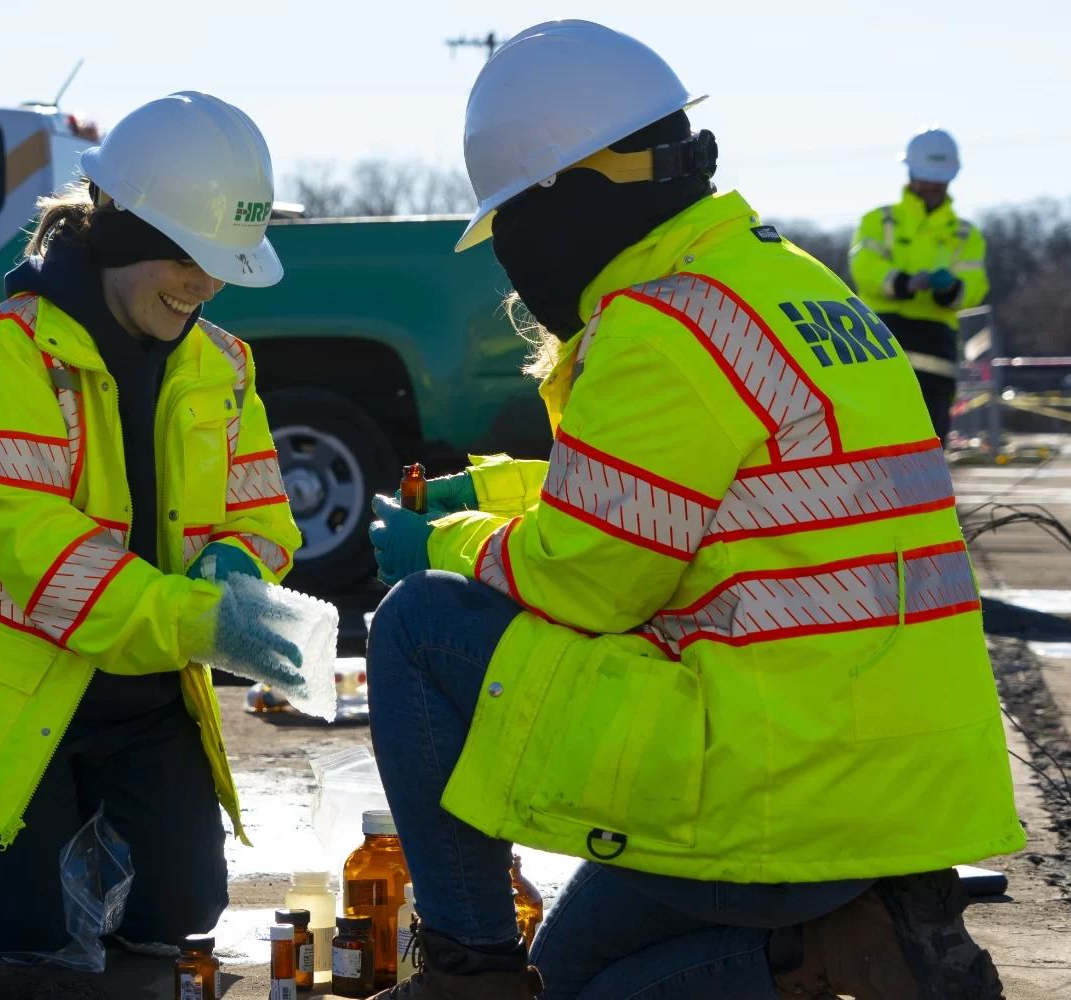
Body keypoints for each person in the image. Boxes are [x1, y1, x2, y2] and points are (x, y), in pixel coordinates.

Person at [363, 21, 1019, 999]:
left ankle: (473, 972)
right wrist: (490, 492)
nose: (512, 256)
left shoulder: (663, 321)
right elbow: (692, 500)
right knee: (572, 971)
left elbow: (587, 577)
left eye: (510, 224)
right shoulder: (790, 285)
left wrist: (443, 543)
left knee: (418, 624)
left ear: (564, 201)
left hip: (779, 786)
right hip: (895, 780)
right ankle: (840, 939)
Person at [0, 92, 306, 959]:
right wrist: (215, 621)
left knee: (179, 918)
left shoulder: (222, 365)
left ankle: (84, 836)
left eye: (223, 262)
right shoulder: (3, 356)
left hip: (146, 698)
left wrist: (236, 560)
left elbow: (264, 518)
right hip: (5, 699)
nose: (206, 283)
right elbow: (55, 568)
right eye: (189, 256)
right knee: (27, 928)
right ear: (121, 230)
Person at [849, 128, 989, 443]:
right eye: (927, 178)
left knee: (928, 444)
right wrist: (905, 283)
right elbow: (864, 269)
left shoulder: (966, 234)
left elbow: (974, 286)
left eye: (938, 180)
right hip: (880, 336)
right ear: (911, 173)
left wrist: (949, 289)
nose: (932, 186)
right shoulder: (879, 220)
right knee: (871, 442)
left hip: (934, 347)